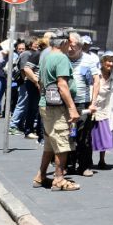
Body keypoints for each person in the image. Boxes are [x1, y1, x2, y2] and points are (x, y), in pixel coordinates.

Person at [34, 31, 81, 191]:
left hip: (46, 105)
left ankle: (40, 176)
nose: (71, 46)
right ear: (64, 42)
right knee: (62, 143)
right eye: (70, 42)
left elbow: (40, 82)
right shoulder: (61, 58)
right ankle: (59, 179)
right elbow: (62, 85)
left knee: (50, 143)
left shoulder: (46, 56)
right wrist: (72, 109)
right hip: (57, 108)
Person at [67, 32, 101, 177]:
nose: (69, 48)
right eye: (68, 45)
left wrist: (93, 103)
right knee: (69, 134)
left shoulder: (89, 60)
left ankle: (84, 165)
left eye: (73, 46)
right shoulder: (63, 58)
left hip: (83, 103)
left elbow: (96, 80)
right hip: (66, 103)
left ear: (80, 47)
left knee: (84, 137)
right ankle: (68, 164)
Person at [91, 51, 113, 169]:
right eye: (108, 61)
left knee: (104, 135)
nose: (111, 64)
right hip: (92, 108)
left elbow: (112, 96)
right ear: (103, 62)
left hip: (105, 110)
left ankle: (102, 160)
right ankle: (87, 160)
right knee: (90, 136)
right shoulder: (95, 75)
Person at [12, 37, 43, 140]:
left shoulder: (33, 53)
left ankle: (20, 125)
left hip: (29, 82)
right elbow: (23, 69)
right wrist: (27, 80)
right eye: (35, 43)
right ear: (30, 45)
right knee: (22, 104)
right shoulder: (27, 54)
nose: (38, 45)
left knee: (27, 105)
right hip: (26, 82)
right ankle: (13, 125)